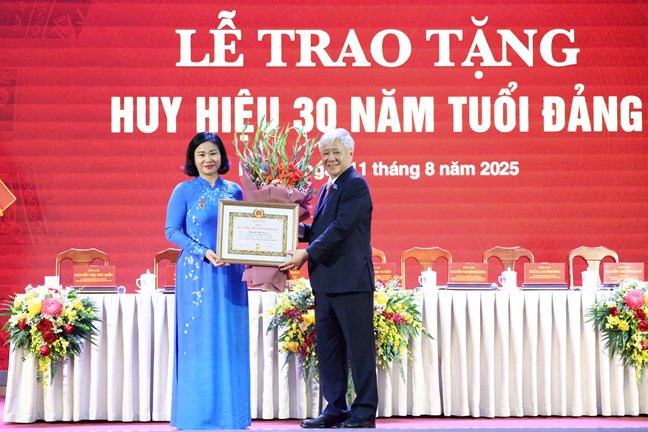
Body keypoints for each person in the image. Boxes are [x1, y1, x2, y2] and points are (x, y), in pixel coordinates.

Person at [279, 128, 378, 429]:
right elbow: (321, 230)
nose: (330, 158)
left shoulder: (356, 185)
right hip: (326, 284)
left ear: (351, 153)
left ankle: (364, 412)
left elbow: (341, 229)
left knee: (359, 350)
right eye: (325, 153)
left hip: (352, 283)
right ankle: (335, 407)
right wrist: (285, 227)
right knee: (330, 350)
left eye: (336, 152)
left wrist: (306, 254)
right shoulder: (327, 187)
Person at [165, 132, 251, 430]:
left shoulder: (235, 190)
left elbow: (245, 230)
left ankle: (231, 415)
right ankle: (196, 415)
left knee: (230, 339)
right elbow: (171, 230)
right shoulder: (184, 191)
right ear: (193, 159)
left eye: (213, 153)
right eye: (201, 154)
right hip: (197, 274)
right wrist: (203, 252)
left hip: (231, 274)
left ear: (222, 156)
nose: (208, 159)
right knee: (198, 341)